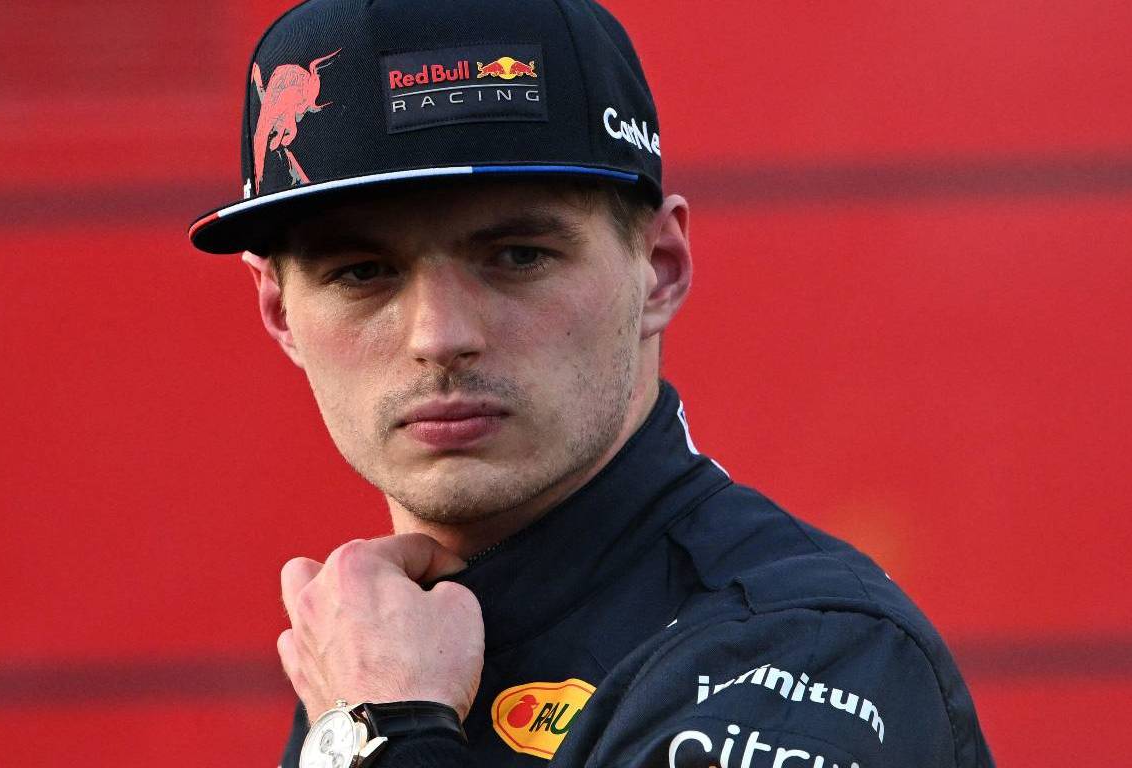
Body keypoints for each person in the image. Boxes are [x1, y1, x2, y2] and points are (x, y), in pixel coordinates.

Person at [187, 1, 995, 766]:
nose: (438, 337)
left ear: (660, 270)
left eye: (517, 257)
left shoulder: (812, 653)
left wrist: (383, 734)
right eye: (363, 272)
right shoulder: (369, 645)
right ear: (279, 311)